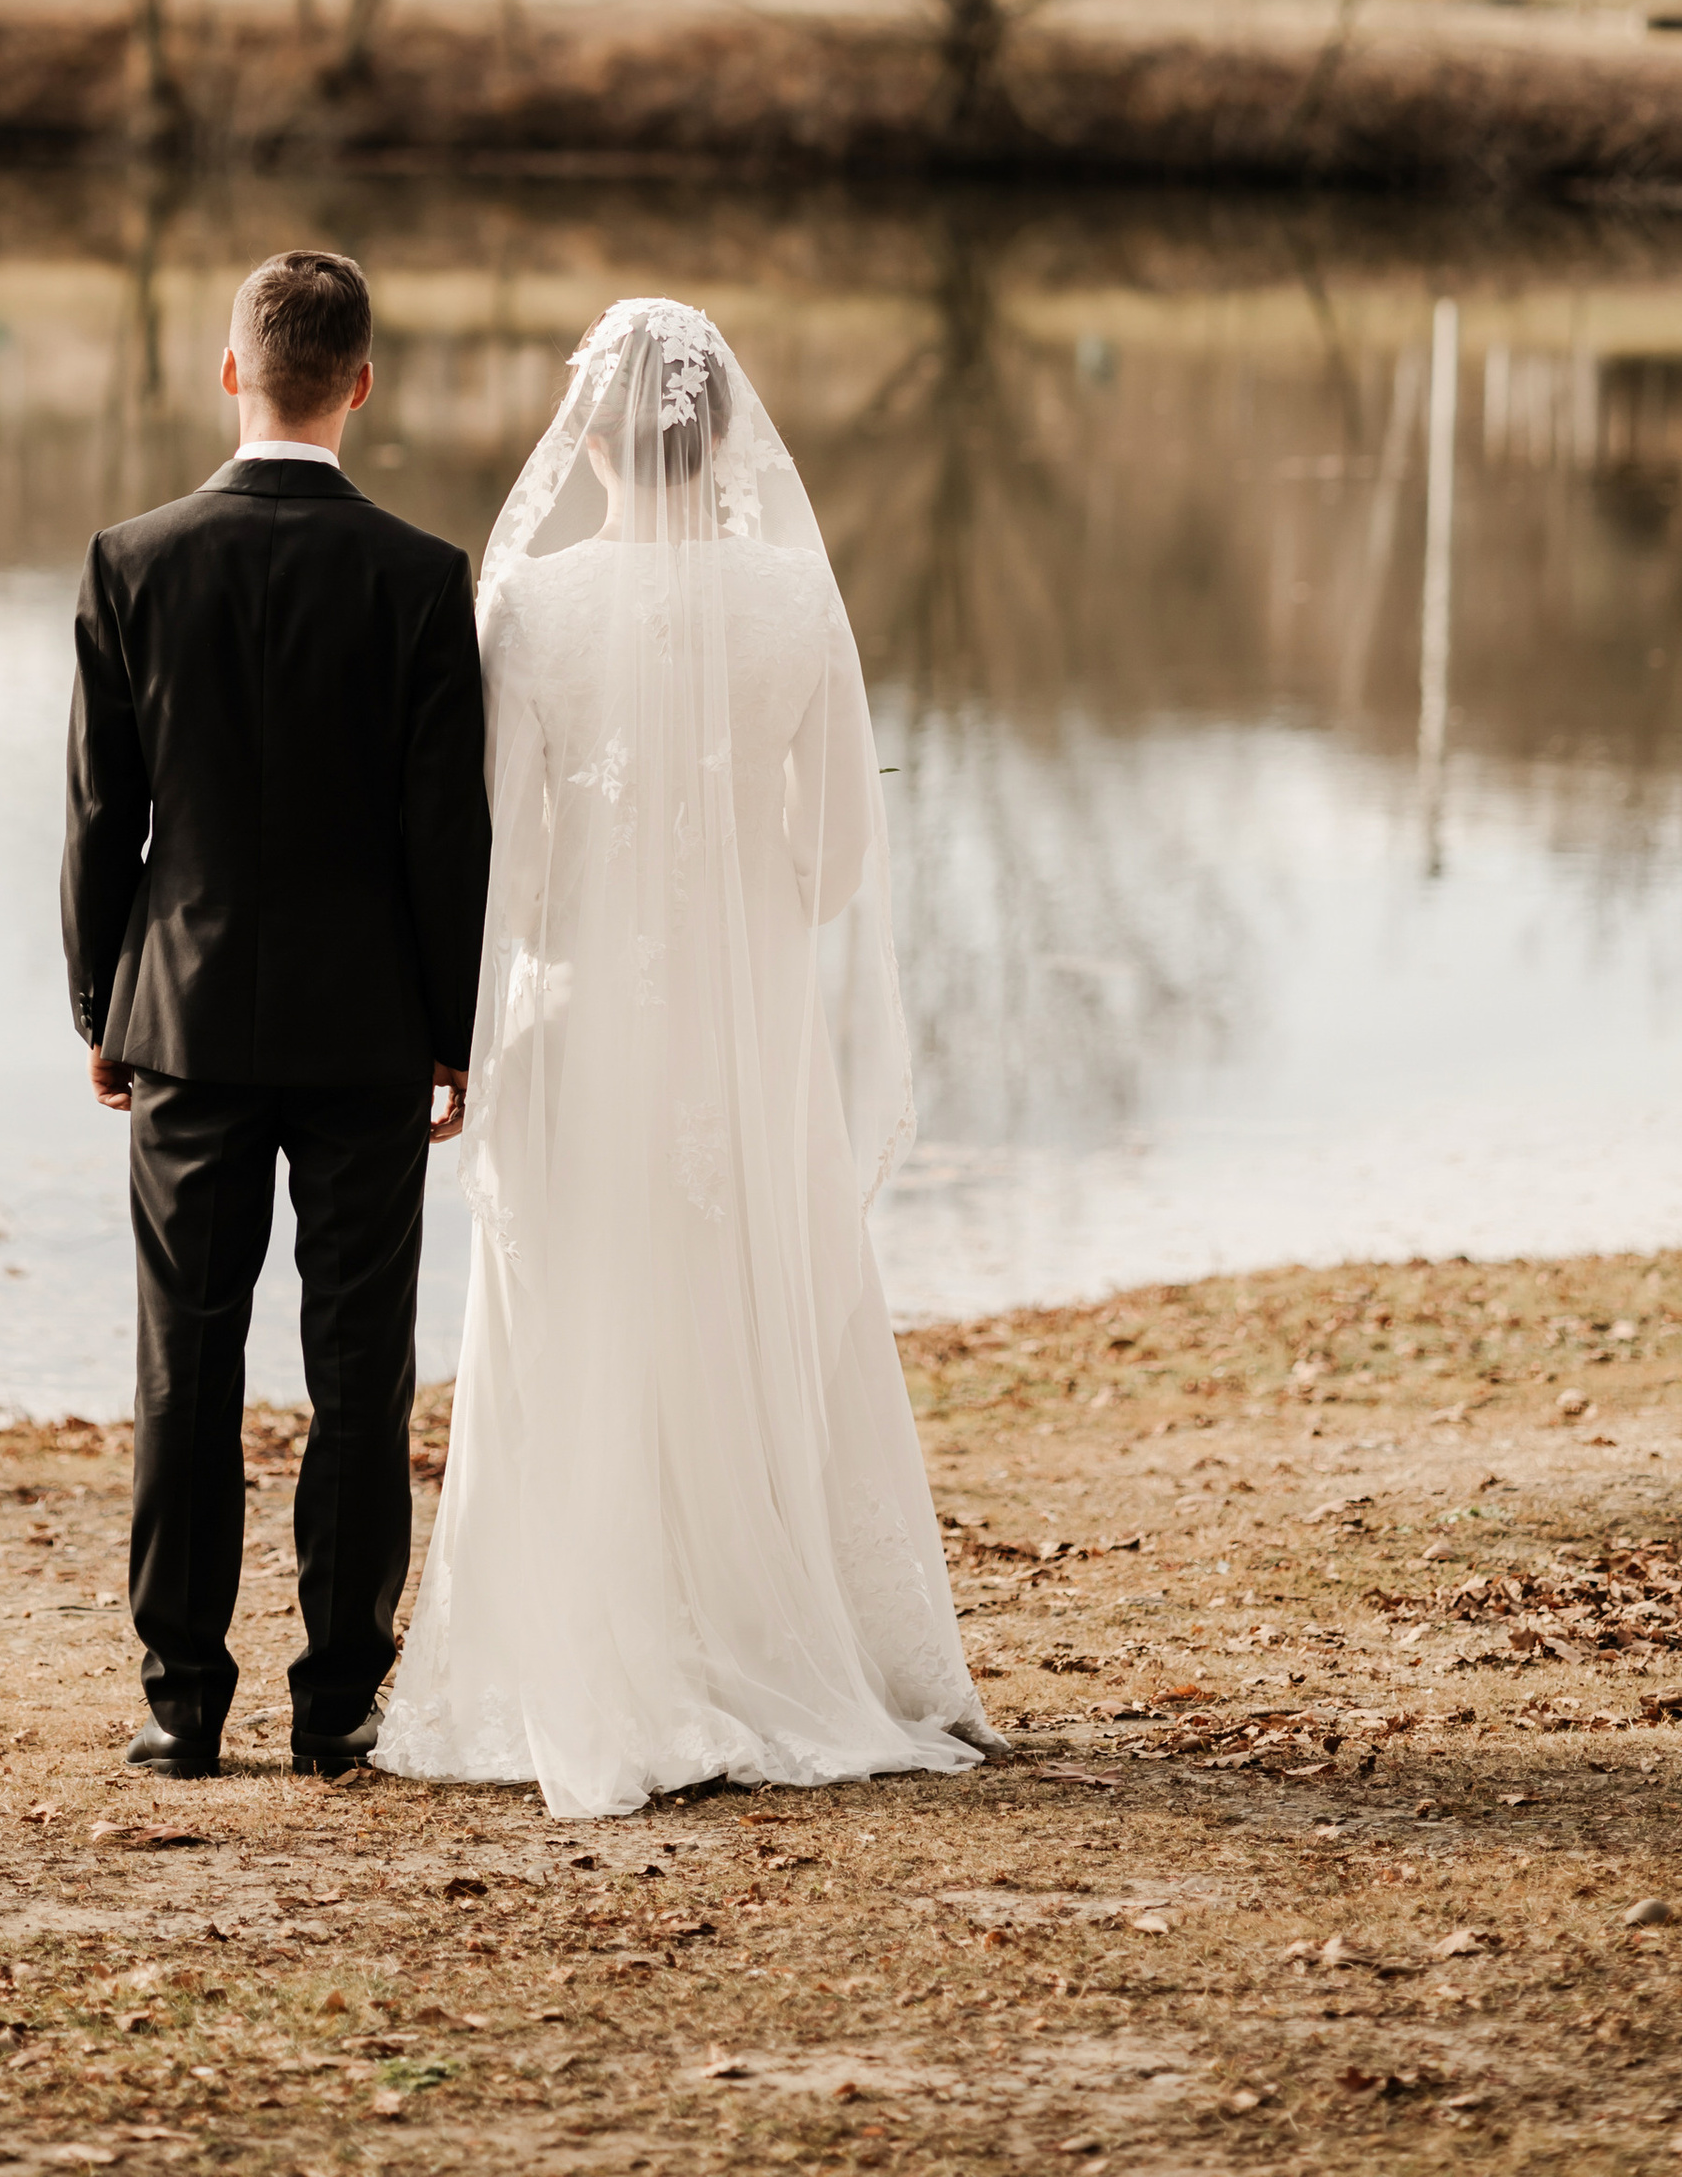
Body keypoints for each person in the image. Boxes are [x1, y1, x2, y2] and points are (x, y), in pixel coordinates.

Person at [374, 296, 997, 1820]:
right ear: (721, 440)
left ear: (589, 438)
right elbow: (836, 856)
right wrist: (732, 902)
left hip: (579, 1016)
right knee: (742, 1297)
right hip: (742, 1026)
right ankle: (778, 1629)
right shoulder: (795, 604)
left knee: (585, 1305)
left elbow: (505, 863)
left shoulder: (532, 608)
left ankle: (579, 1644)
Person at [62, 247, 490, 1781]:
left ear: (231, 369)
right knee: (359, 1366)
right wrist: (457, 1026)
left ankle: (182, 1704)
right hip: (368, 1028)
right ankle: (336, 1704)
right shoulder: (422, 579)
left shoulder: (132, 561)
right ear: (360, 384)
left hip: (182, 1018)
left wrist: (100, 1002)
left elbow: (103, 816)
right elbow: (447, 834)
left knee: (184, 1359)